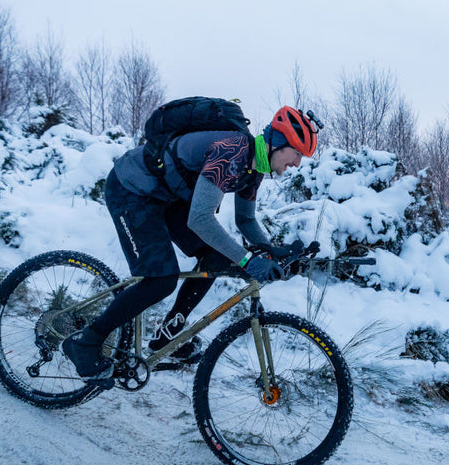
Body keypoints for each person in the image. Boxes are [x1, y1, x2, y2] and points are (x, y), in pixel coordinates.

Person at [61, 104, 320, 385]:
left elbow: (246, 221)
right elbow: (200, 219)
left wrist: (270, 252)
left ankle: (167, 334)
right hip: (132, 190)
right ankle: (86, 342)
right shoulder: (231, 151)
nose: (296, 163)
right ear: (277, 144)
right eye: (296, 153)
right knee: (161, 279)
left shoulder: (253, 169)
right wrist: (248, 260)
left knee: (216, 257)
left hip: (167, 197)